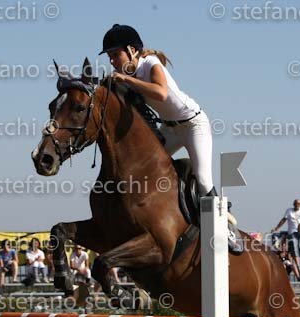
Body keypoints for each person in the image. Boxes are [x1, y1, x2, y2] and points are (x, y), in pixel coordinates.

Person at [99, 24, 243, 254]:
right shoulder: (127, 75)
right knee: (145, 168)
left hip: (194, 126)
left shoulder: (151, 63)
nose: (112, 61)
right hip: (170, 130)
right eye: (110, 56)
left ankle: (225, 227)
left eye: (115, 54)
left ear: (132, 50)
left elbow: (161, 92)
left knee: (203, 179)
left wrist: (126, 80)